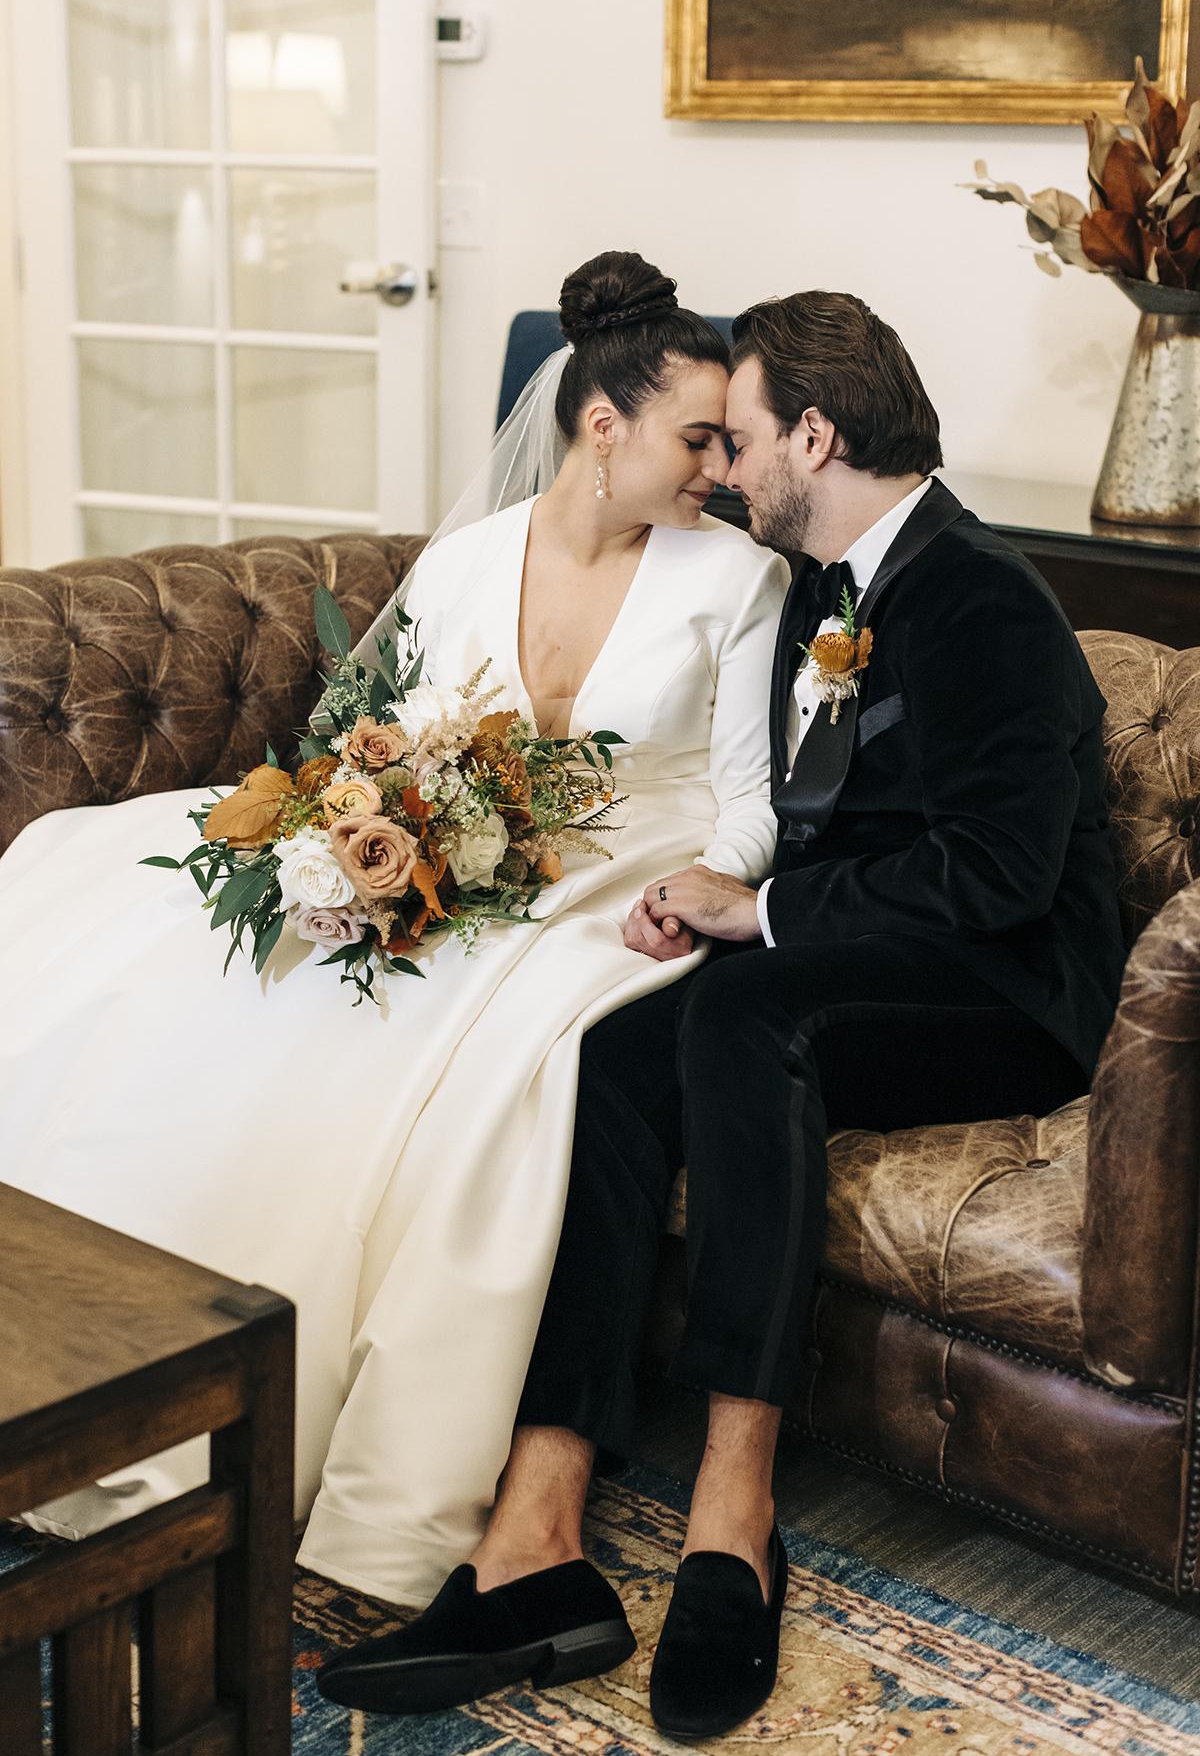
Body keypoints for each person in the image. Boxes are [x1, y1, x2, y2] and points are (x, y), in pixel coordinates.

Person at [321, 291, 1126, 1737]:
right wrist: (694, 897)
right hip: (873, 952)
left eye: (744, 441)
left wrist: (756, 921)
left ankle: (731, 1508)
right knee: (615, 1048)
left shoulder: (979, 593)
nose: (726, 472)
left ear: (815, 434)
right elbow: (804, 819)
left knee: (746, 1019)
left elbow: (999, 879)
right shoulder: (825, 589)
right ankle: (540, 1530)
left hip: (1013, 992)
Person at [0, 252, 789, 1622]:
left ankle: (317, 1428)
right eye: (698, 436)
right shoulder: (469, 560)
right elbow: (383, 738)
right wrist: (382, 836)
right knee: (199, 957)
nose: (721, 465)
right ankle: (87, 1363)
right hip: (457, 858)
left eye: (729, 440)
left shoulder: (736, 579)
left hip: (631, 878)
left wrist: (715, 885)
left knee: (480, 1059)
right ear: (603, 427)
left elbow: (751, 803)